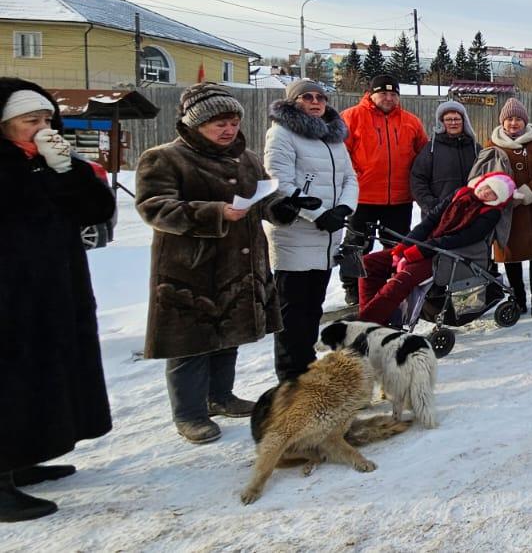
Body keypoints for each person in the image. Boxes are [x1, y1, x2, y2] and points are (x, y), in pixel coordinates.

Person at [137, 83, 314, 444]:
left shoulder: (246, 158)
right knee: (192, 341)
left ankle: (221, 395)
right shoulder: (166, 158)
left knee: (229, 330)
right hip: (191, 268)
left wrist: (283, 207)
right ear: (195, 124)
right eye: (219, 123)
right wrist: (215, 212)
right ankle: (189, 413)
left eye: (233, 121)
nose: (228, 129)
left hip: (240, 263)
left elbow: (263, 198)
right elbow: (154, 207)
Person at [0, 78, 116, 522]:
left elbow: (97, 211)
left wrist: (64, 171)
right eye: (31, 120)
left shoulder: (55, 161)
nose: (42, 126)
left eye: (47, 118)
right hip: (9, 294)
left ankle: (23, 457)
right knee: (8, 381)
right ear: (5, 125)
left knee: (42, 375)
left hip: (53, 290)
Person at [263, 80, 359, 382]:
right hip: (295, 234)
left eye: (321, 97)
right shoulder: (282, 134)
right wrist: (317, 215)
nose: (316, 102)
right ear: (294, 102)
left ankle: (307, 368)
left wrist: (344, 209)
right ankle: (291, 378)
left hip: (328, 236)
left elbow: (349, 178)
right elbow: (280, 182)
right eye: (308, 97)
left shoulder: (333, 138)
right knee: (292, 313)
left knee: (313, 309)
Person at [358, 171, 514, 325]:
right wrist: (404, 246)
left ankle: (364, 323)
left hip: (445, 255)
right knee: (369, 263)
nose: (487, 192)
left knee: (402, 279)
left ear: (498, 200)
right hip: (426, 245)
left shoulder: (491, 213)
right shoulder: (460, 194)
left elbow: (461, 239)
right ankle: (376, 320)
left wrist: (420, 250)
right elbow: (430, 221)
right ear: (481, 182)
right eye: (487, 186)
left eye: (494, 193)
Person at [338, 74, 428, 306]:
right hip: (363, 195)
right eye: (383, 93)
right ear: (371, 94)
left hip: (398, 197)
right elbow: (339, 156)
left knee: (397, 246)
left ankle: (391, 281)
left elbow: (424, 155)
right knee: (356, 245)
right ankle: (352, 287)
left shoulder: (411, 121)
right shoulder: (351, 117)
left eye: (393, 94)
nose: (388, 98)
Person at [473, 98, 532, 322]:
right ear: (503, 121)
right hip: (507, 212)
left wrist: (527, 193)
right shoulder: (492, 144)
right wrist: (502, 194)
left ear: (525, 121)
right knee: (512, 259)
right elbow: (486, 176)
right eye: (509, 119)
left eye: (518, 119)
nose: (513, 123)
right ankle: (519, 299)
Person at [409, 100, 480, 214]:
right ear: (441, 122)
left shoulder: (476, 149)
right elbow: (418, 179)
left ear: (464, 121)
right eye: (448, 119)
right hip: (439, 215)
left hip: (471, 213)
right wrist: (432, 206)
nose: (453, 123)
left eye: (457, 119)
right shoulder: (430, 149)